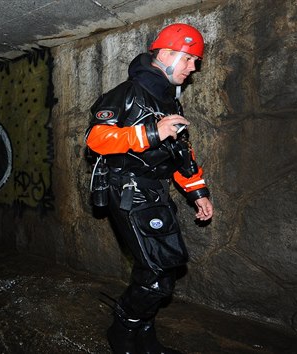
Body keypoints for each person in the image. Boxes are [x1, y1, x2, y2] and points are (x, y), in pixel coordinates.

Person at [84, 23, 214, 353]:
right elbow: (95, 139)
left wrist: (197, 192)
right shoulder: (127, 93)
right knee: (157, 274)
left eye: (196, 61)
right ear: (166, 54)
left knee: (162, 270)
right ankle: (121, 333)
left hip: (154, 192)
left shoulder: (171, 103)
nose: (193, 67)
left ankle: (145, 339)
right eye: (188, 59)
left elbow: (181, 153)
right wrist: (151, 133)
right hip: (127, 189)